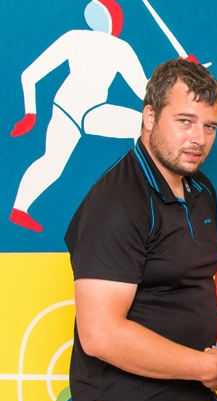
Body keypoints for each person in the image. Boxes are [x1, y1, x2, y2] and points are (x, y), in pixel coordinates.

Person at [64, 58, 217, 401]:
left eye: (209, 126)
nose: (199, 138)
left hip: (197, 399)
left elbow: (190, 287)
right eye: (185, 121)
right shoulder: (116, 202)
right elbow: (101, 335)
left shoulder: (201, 188)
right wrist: (205, 367)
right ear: (149, 117)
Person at [10, 0, 147, 232]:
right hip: (77, 110)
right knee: (141, 125)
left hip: (77, 109)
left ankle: (19, 209)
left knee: (52, 163)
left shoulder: (78, 38)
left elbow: (29, 76)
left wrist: (30, 114)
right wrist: (180, 72)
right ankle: (19, 209)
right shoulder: (118, 47)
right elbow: (146, 91)